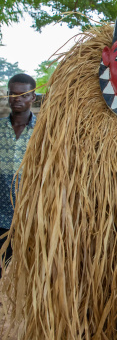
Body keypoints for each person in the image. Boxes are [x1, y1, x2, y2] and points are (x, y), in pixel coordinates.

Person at [0, 74, 37, 278]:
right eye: (13, 94)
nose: (17, 99)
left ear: (33, 97)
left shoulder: (43, 131)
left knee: (30, 273)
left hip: (31, 216)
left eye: (23, 95)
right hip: (0, 215)